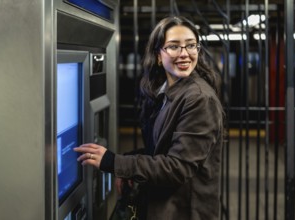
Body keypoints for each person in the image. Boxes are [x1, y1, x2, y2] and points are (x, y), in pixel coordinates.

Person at [74, 15, 224, 220]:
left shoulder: (199, 99)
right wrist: (126, 162)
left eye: (191, 46)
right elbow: (162, 148)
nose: (184, 54)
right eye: (173, 46)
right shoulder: (167, 91)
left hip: (185, 211)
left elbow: (177, 168)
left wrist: (115, 163)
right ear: (158, 56)